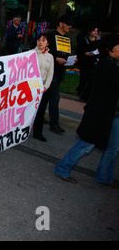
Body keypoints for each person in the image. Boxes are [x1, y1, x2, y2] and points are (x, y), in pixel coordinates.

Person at [54, 34, 119, 187]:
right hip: (99, 114)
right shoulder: (106, 66)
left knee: (113, 147)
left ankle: (104, 177)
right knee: (86, 144)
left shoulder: (112, 65)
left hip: (113, 113)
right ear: (110, 49)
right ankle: (63, 168)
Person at [47, 14, 73, 134]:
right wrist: (56, 59)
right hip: (51, 72)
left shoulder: (66, 38)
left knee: (46, 97)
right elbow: (44, 52)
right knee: (55, 97)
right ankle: (54, 124)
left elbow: (66, 53)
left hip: (60, 71)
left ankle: (38, 117)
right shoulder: (51, 36)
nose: (70, 26)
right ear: (61, 24)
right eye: (68, 24)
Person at [31, 33, 54, 142]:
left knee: (40, 111)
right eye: (39, 40)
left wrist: (45, 87)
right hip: (31, 86)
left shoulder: (50, 57)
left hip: (43, 87)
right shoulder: (31, 53)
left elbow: (50, 74)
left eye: (43, 40)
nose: (40, 42)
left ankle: (37, 132)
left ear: (47, 43)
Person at [76, 25, 100, 101]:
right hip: (85, 62)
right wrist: (85, 53)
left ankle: (88, 93)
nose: (95, 32)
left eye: (97, 31)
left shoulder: (98, 41)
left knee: (92, 78)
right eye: (94, 31)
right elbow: (79, 51)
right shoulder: (85, 40)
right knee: (84, 77)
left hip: (94, 61)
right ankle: (81, 92)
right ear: (89, 32)